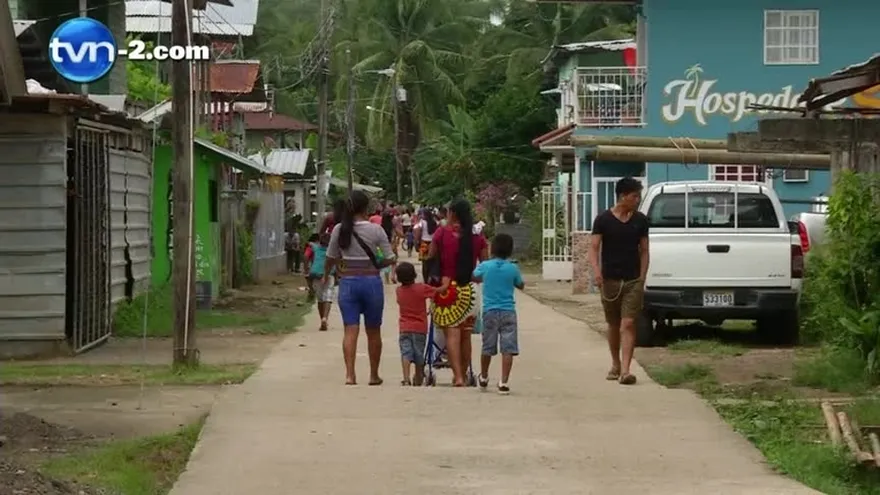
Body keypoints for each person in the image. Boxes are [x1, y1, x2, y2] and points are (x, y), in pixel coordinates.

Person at [325, 191, 396, 386]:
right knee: (373, 331)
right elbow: (390, 258)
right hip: (371, 282)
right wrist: (377, 263)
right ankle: (373, 375)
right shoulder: (377, 230)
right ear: (366, 208)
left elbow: (331, 257)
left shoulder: (339, 229)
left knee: (350, 330)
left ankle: (350, 375)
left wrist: (325, 276)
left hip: (348, 283)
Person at [589, 177, 649, 386]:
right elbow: (594, 248)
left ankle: (626, 370)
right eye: (634, 195)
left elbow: (644, 251)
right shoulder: (603, 220)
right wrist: (596, 271)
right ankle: (615, 364)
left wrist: (642, 277)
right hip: (610, 280)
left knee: (629, 323)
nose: (637, 199)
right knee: (613, 324)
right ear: (623, 196)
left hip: (633, 280)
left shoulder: (641, 220)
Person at [427, 199, 488, 387]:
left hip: (448, 291)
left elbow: (430, 256)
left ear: (452, 213)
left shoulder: (442, 233)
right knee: (466, 335)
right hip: (470, 291)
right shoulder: (478, 236)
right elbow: (484, 265)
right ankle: (463, 372)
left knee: (452, 335)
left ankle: (459, 376)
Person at [473, 233, 524, 395]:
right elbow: (520, 284)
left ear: (492, 248)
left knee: (487, 346)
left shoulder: (486, 266)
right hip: (508, 310)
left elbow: (474, 276)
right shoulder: (513, 267)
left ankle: (484, 376)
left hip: (490, 311)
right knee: (508, 348)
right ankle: (504, 381)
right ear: (510, 250)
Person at [394, 262, 437, 386]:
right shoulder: (421, 288)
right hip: (420, 328)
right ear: (414, 275)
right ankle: (418, 377)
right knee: (419, 353)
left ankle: (406, 378)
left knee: (405, 353)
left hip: (404, 327)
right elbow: (435, 292)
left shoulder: (399, 291)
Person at [308, 233, 335, 331]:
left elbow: (310, 244)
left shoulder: (316, 248)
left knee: (320, 299)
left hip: (315, 274)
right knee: (328, 296)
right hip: (329, 275)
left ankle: (321, 319)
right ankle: (325, 318)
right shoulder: (332, 251)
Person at [413, 208, 439, 284]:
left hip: (424, 243)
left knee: (425, 264)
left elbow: (418, 232)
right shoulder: (435, 222)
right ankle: (431, 278)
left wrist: (416, 243)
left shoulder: (422, 222)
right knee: (432, 262)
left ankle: (426, 280)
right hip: (433, 244)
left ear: (425, 215)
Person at [303, 233, 320, 299]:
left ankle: (312, 293)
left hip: (315, 268)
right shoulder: (323, 245)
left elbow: (305, 256)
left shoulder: (311, 246)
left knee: (309, 278)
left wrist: (306, 269)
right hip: (325, 268)